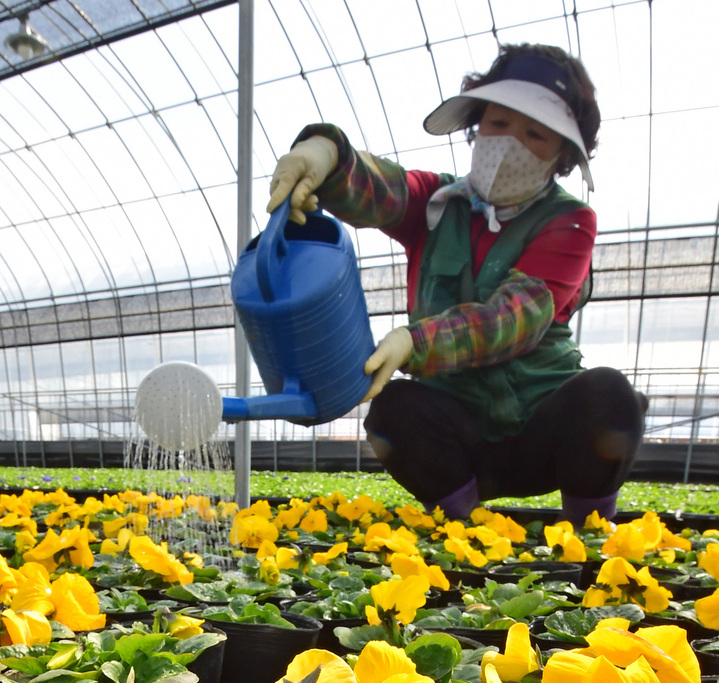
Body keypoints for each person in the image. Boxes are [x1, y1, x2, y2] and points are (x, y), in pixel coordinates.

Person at [267, 42, 647, 525]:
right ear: (476, 125)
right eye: (499, 123)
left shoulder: (570, 221)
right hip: (462, 433)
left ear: (561, 157)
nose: (511, 142)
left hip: (544, 426)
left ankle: (589, 534)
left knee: (609, 397)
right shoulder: (436, 202)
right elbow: (381, 187)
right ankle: (464, 530)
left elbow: (517, 318)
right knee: (394, 413)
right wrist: (326, 155)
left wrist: (414, 340)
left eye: (535, 134)